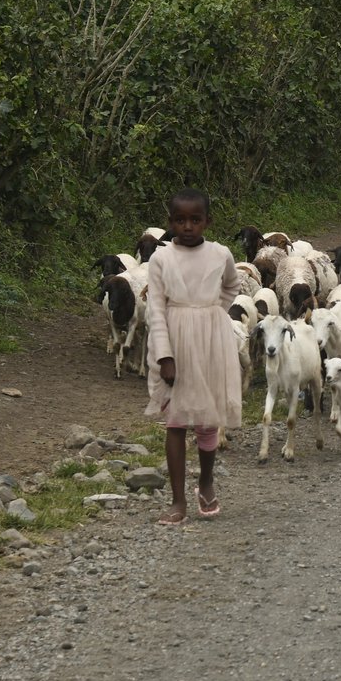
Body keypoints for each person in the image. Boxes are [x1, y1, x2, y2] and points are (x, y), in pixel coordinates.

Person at [145, 188, 246, 520]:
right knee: (175, 420)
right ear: (170, 222)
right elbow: (156, 309)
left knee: (206, 418)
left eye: (195, 220)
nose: (187, 227)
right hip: (175, 339)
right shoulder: (161, 258)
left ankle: (205, 480)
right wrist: (165, 356)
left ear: (207, 221)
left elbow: (232, 285)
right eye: (180, 220)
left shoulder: (221, 255)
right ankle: (178, 501)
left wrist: (213, 313)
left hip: (211, 341)